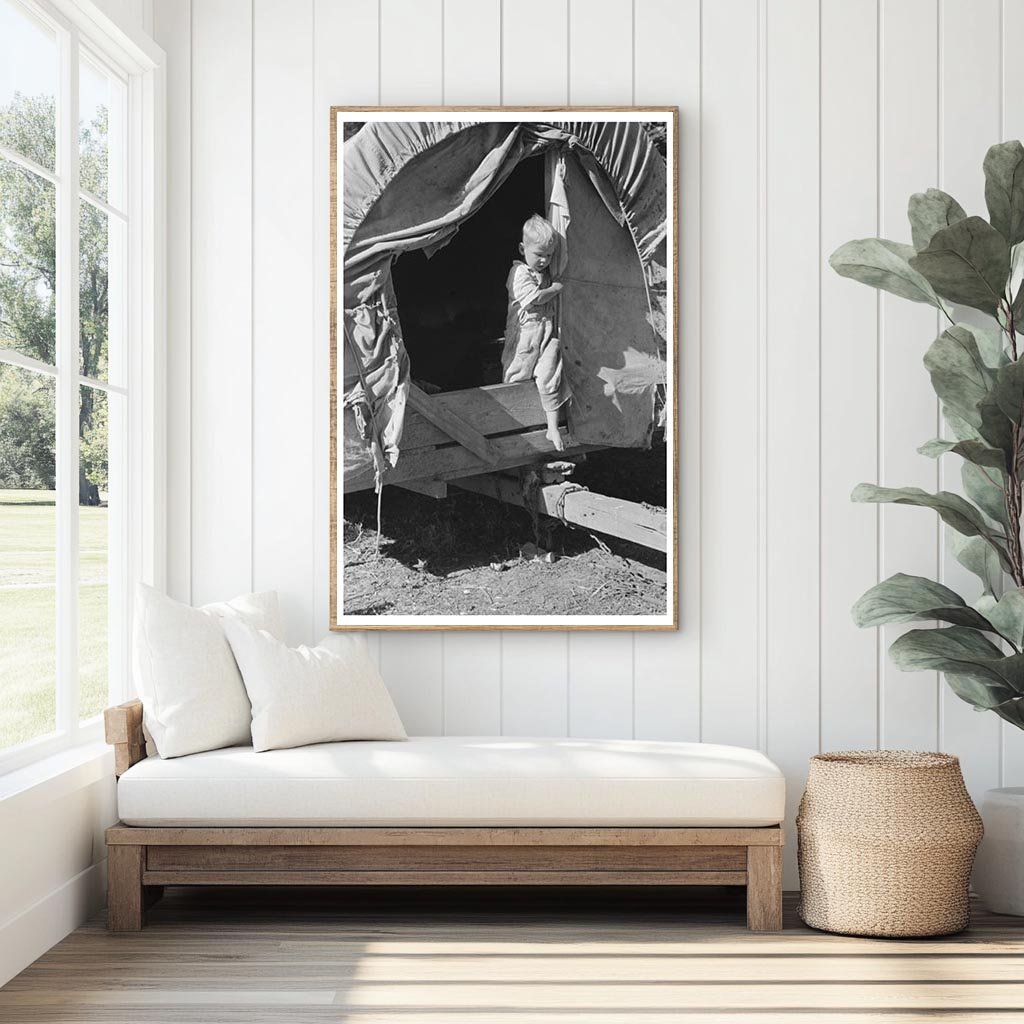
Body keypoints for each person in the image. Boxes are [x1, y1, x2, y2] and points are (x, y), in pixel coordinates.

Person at [500, 214, 571, 451]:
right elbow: (534, 299)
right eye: (539, 254)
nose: (544, 260)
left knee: (550, 372)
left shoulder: (546, 273)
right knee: (517, 375)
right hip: (524, 337)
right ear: (523, 249)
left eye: (549, 255)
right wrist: (555, 288)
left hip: (546, 333)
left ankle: (552, 427)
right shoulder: (519, 273)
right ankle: (511, 427)